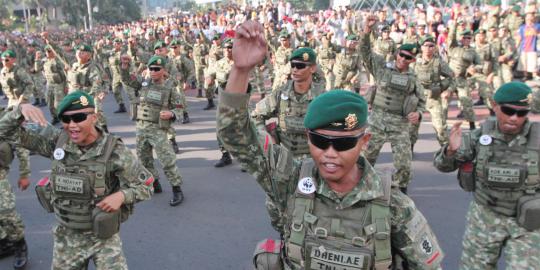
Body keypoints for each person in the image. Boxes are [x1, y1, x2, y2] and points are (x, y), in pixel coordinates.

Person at [217, 20, 444, 270]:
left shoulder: (394, 205)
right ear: (309, 137)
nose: (330, 154)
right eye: (320, 141)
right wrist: (240, 70)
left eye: (344, 143)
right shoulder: (291, 181)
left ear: (364, 141)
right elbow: (235, 134)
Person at [0, 91, 154, 269]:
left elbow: (146, 184)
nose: (72, 125)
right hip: (67, 238)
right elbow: (5, 133)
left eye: (79, 117)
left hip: (103, 239)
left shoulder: (115, 151)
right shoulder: (57, 142)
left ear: (94, 117)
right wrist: (19, 110)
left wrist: (121, 196)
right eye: (65, 120)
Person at [434, 82, 540, 269]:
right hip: (484, 217)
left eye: (522, 113)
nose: (514, 118)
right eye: (508, 110)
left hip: (528, 222)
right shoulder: (479, 137)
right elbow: (442, 166)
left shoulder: (537, 140)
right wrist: (451, 150)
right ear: (495, 106)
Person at [360, 16, 426, 193]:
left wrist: (418, 114)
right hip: (377, 120)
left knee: (404, 164)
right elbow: (365, 52)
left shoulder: (413, 79)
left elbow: (422, 102)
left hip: (399, 123)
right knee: (364, 159)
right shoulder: (381, 67)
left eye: (408, 57)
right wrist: (367, 31)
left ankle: (399, 193)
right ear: (397, 54)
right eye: (402, 55)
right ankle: (361, 189)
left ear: (413, 60)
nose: (404, 59)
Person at [120, 55, 185, 206]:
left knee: (167, 160)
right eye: (151, 69)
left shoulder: (170, 87)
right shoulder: (144, 83)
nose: (153, 71)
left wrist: (172, 113)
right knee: (144, 159)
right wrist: (124, 67)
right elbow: (128, 80)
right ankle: (155, 183)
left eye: (157, 69)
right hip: (141, 128)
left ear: (164, 71)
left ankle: (177, 189)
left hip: (158, 129)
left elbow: (180, 108)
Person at [410, 35, 454, 148]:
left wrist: (446, 89)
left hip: (433, 97)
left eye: (431, 46)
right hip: (416, 98)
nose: (429, 48)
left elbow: (451, 77)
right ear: (421, 47)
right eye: (426, 46)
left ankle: (446, 152)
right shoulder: (414, 61)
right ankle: (409, 150)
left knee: (440, 127)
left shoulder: (439, 62)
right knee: (412, 126)